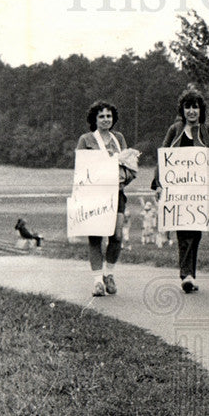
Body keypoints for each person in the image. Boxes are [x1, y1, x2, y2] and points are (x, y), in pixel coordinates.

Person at [151, 87, 209, 293]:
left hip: (201, 191)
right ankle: (186, 275)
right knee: (183, 233)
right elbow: (163, 158)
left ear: (201, 110)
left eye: (195, 107)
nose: (192, 111)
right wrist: (158, 183)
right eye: (188, 107)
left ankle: (190, 274)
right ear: (182, 110)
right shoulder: (174, 130)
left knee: (196, 232)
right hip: (178, 190)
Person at [76, 100, 139, 297]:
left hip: (117, 193)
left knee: (116, 235)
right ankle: (97, 281)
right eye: (102, 116)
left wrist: (123, 178)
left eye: (109, 116)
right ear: (94, 119)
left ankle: (108, 273)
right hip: (94, 194)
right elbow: (81, 168)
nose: (106, 120)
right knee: (95, 237)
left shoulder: (118, 138)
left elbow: (130, 167)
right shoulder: (86, 139)